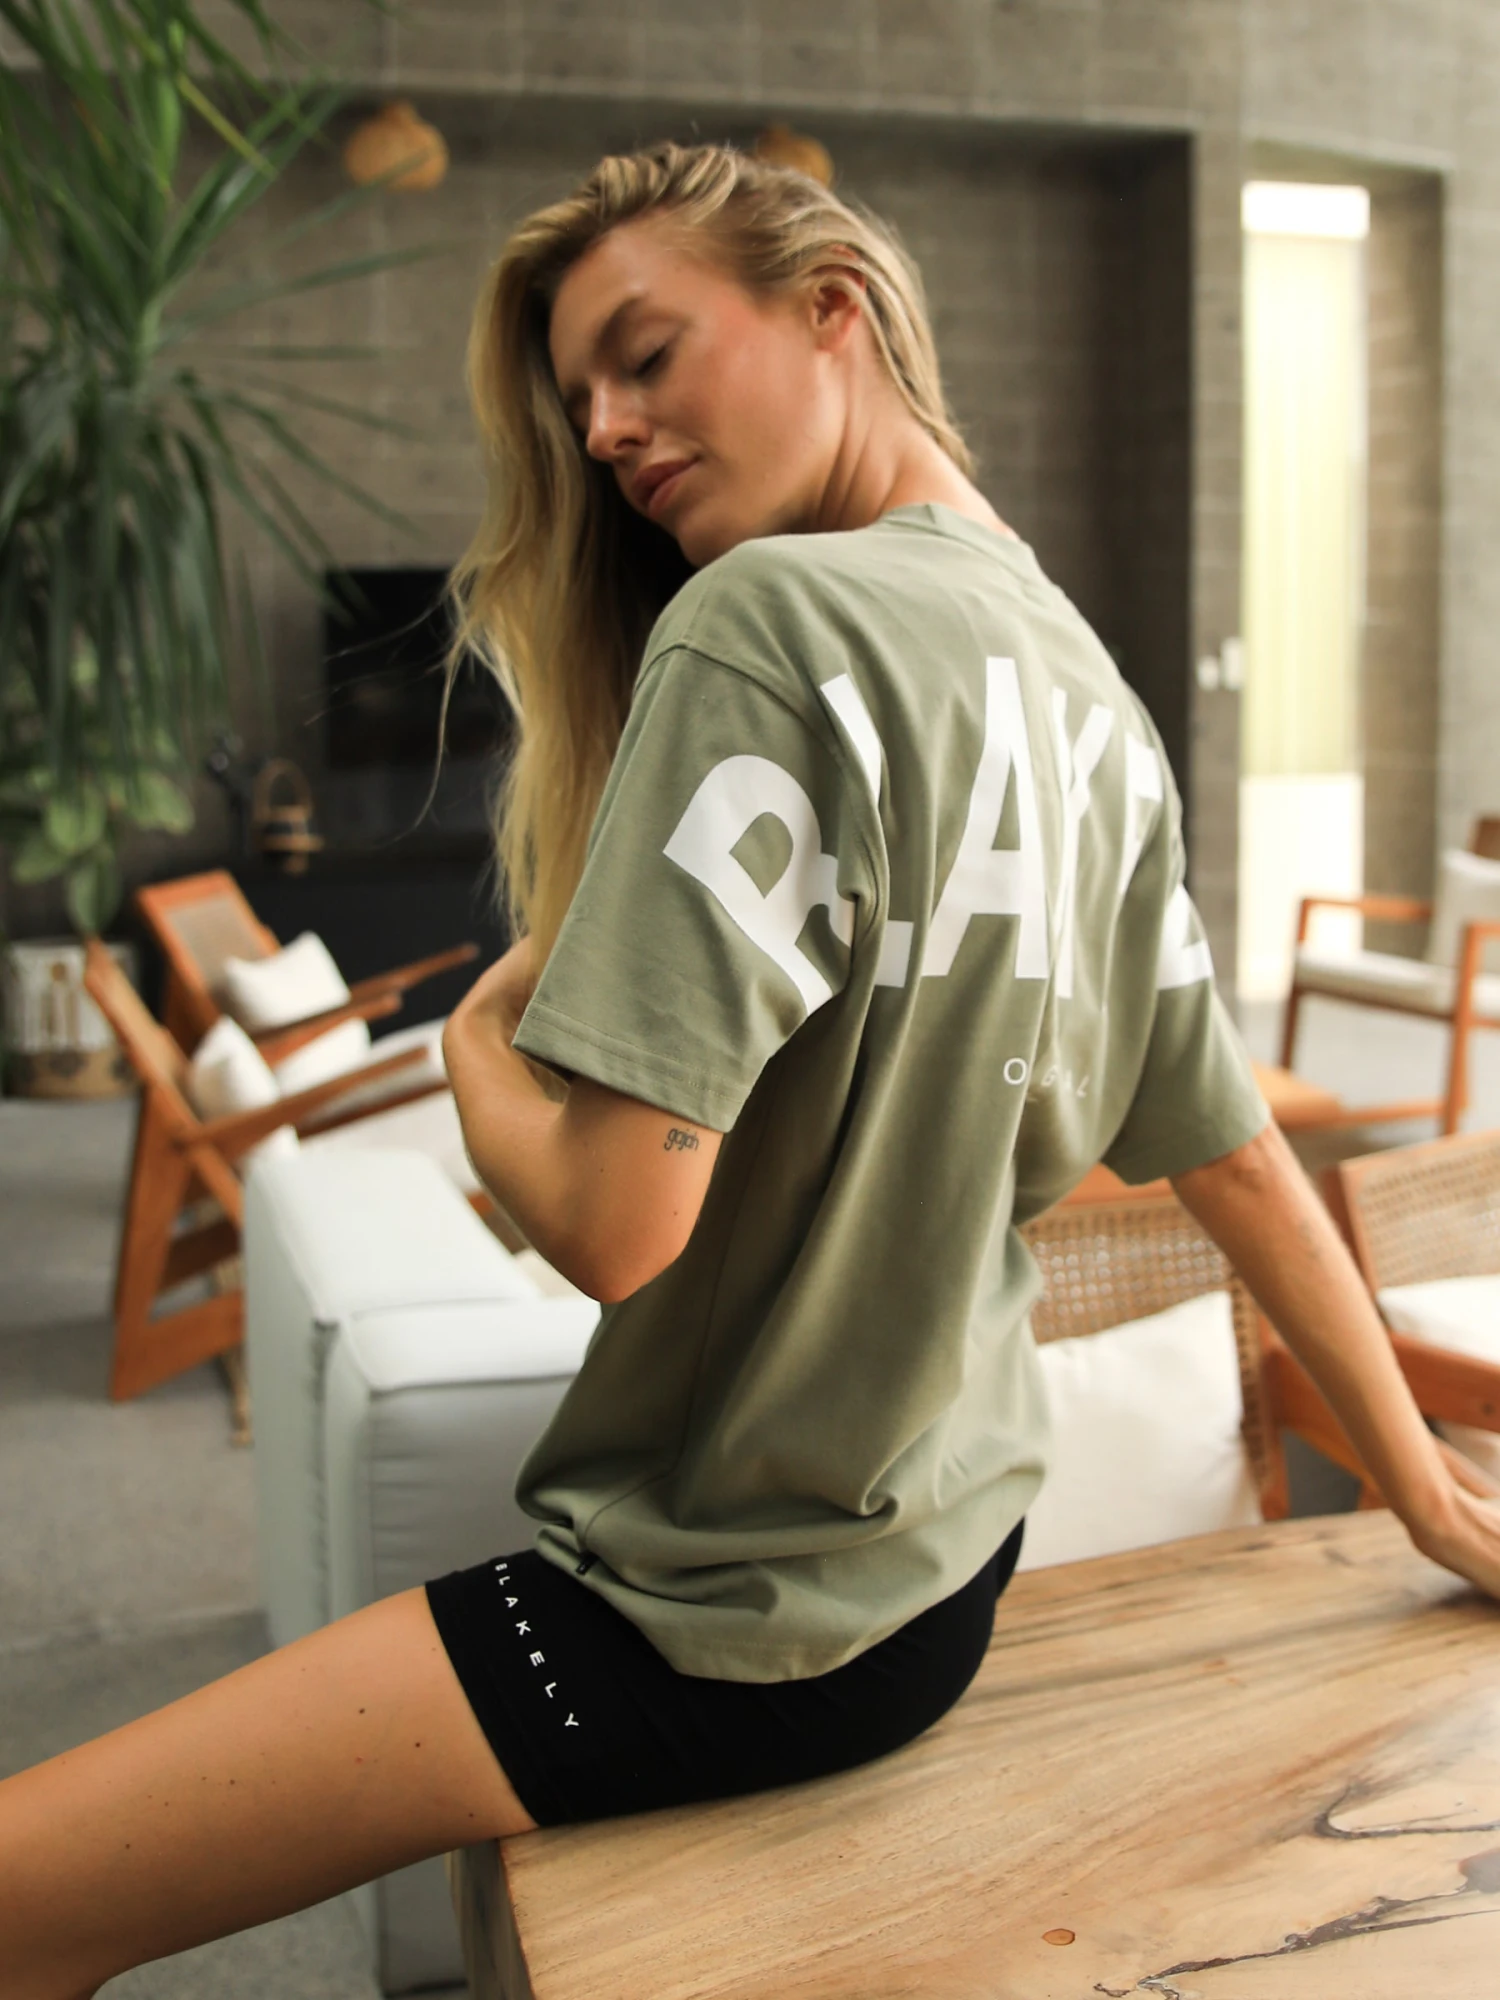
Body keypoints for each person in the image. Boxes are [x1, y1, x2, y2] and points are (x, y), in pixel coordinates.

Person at [4, 140, 1498, 1998]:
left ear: (830, 308)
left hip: (714, 1616)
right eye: (581, 403)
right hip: (946, 1572)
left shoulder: (763, 624)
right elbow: (1239, 1158)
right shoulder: (1095, 697)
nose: (609, 431)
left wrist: (467, 1046)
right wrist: (1423, 1487)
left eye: (645, 356)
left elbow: (616, 1226)